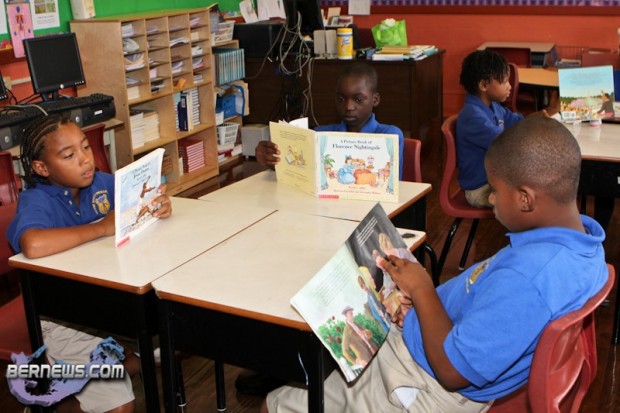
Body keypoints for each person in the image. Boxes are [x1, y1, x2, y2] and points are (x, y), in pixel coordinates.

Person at [261, 116, 608, 413]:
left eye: (495, 190)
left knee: (274, 405)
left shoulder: (529, 280)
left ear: (526, 199)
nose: (489, 198)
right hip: (424, 346)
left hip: (423, 386)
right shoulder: (583, 242)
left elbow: (452, 371)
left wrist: (423, 289)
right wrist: (419, 307)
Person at [7, 115, 172, 413]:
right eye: (69, 155)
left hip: (101, 303)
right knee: (120, 406)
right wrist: (102, 228)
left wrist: (157, 204)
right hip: (58, 318)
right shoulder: (36, 200)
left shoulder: (101, 183)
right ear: (42, 168)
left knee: (162, 343)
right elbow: (32, 244)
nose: (85, 159)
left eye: (85, 147)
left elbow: (137, 201)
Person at [255, 62, 405, 180]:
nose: (349, 106)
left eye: (358, 99)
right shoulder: (319, 135)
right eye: (341, 99)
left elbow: (390, 183)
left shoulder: (389, 135)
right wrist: (271, 159)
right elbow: (297, 167)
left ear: (375, 100)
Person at [456, 49, 559, 208]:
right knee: (536, 198)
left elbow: (520, 122)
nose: (510, 87)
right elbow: (506, 144)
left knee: (543, 188)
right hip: (480, 189)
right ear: (483, 85)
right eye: (504, 82)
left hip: (496, 181)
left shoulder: (494, 106)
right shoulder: (473, 117)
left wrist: (548, 112)